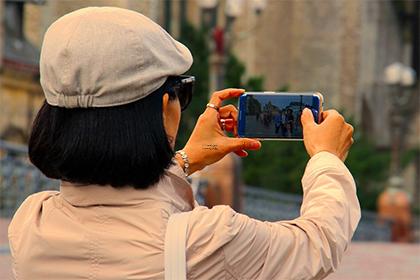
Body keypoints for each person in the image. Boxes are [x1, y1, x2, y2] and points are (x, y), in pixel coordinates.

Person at [8, 7, 360, 280]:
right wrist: (326, 158)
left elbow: (117, 212)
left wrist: (186, 160)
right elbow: (317, 244)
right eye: (182, 91)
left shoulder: (30, 224)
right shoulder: (207, 240)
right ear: (164, 107)